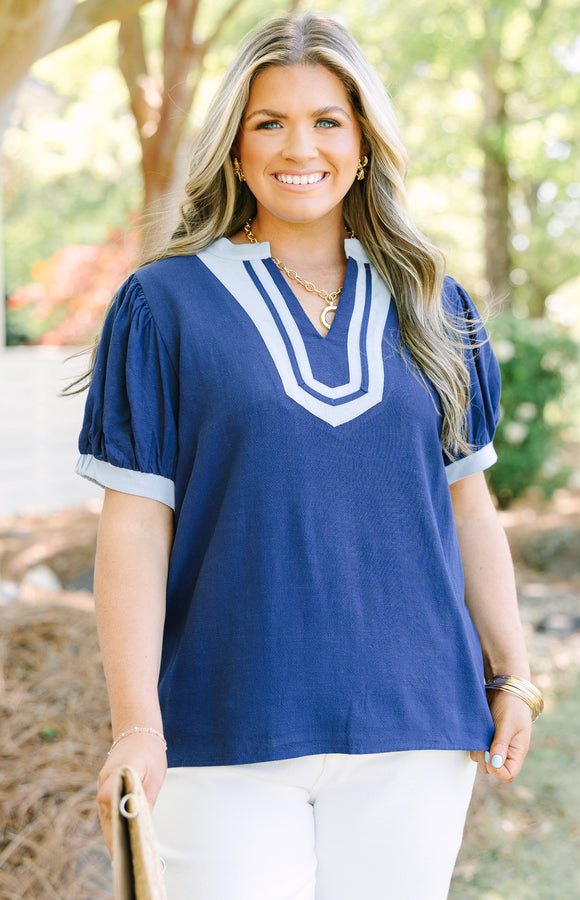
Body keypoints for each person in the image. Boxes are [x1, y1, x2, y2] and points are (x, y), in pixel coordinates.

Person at [76, 13, 543, 900]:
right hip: (221, 729)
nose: (301, 146)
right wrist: (137, 725)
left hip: (417, 724)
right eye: (270, 122)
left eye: (327, 120)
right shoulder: (162, 305)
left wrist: (513, 673)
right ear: (236, 147)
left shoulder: (438, 305)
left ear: (364, 141)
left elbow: (468, 507)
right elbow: (135, 528)